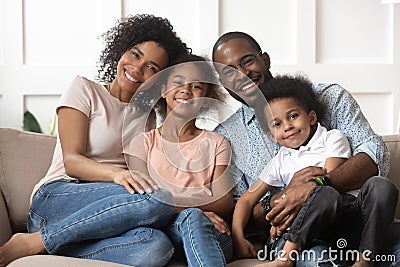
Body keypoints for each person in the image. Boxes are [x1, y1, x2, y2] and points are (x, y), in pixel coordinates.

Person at [0, 14, 191, 267]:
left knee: (156, 247)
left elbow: (147, 177)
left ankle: (54, 245)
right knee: (156, 199)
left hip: (104, 212)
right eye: (135, 54)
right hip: (57, 198)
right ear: (122, 49)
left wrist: (192, 208)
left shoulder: (148, 118)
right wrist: (117, 174)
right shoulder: (84, 89)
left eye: (152, 68)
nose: (138, 68)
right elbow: (72, 161)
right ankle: (34, 242)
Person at [212, 31, 399, 266]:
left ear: (265, 60)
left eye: (247, 61)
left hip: (352, 220)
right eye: (229, 73)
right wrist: (286, 196)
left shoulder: (330, 98)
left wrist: (314, 187)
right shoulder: (227, 136)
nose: (242, 75)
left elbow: (374, 155)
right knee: (316, 260)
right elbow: (244, 208)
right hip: (293, 236)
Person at [123, 54, 234, 267]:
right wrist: (192, 209)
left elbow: (224, 202)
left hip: (212, 231)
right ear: (164, 90)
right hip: (165, 230)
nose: (186, 90)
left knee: (194, 219)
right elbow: (142, 200)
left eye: (196, 87)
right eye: (178, 82)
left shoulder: (217, 143)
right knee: (192, 217)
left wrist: (177, 206)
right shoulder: (141, 144)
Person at [233, 74, 352, 266]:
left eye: (293, 116)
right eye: (277, 124)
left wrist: (286, 215)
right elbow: (247, 200)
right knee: (317, 257)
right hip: (287, 236)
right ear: (272, 135)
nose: (288, 126)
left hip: (326, 226)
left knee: (321, 253)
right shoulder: (281, 159)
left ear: (311, 117)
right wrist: (238, 237)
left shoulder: (332, 140)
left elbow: (325, 188)